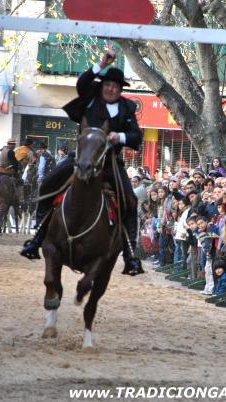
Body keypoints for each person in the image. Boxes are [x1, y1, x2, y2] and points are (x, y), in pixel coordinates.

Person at [20, 49, 144, 276]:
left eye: (116, 87)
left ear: (121, 90)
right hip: (81, 157)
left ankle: (130, 253)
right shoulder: (91, 95)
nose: (111, 89)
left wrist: (120, 136)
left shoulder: (127, 108)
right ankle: (38, 234)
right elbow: (83, 83)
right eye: (108, 84)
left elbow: (137, 136)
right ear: (103, 84)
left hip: (110, 163)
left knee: (131, 200)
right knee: (48, 182)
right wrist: (101, 63)